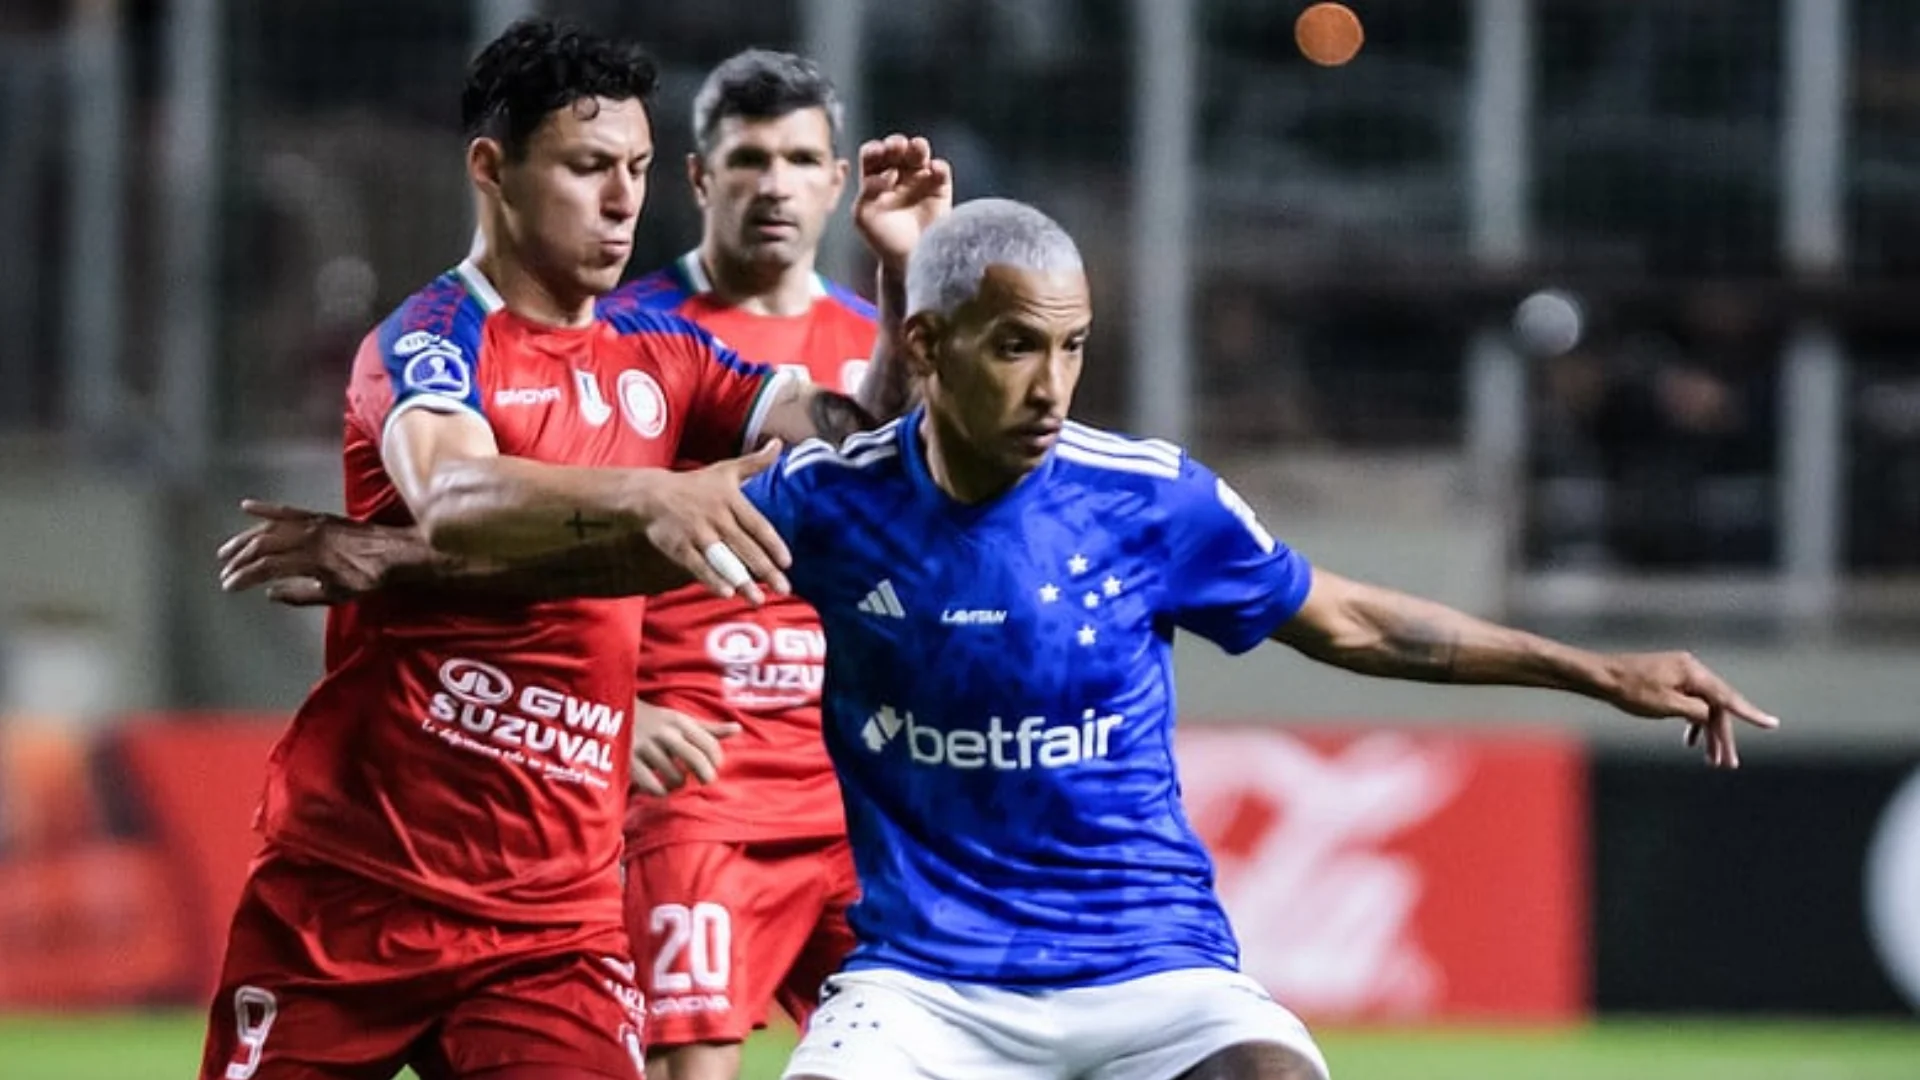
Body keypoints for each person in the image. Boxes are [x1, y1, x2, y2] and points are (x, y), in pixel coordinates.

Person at [218, 199, 1778, 1080]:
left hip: (1155, 973)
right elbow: (601, 544)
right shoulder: (828, 501)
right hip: (929, 993)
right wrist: (381, 554)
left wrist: (1601, 671)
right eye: (1017, 347)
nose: (1051, 386)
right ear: (930, 347)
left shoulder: (1150, 499)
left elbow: (1360, 622)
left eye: (1074, 349)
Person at [201, 18, 948, 1080]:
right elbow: (455, 494)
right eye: (589, 167)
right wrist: (658, 496)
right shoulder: (427, 338)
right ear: (492, 169)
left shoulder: (667, 350)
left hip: (554, 922)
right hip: (353, 888)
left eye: (638, 169)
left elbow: (862, 441)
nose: (623, 200)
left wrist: (904, 276)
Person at [604, 51, 873, 1080]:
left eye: (801, 158)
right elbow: (547, 552)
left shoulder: (877, 349)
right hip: (698, 786)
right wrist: (613, 712)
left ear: (837, 181)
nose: (775, 183)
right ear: (700, 178)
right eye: (748, 157)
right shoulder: (626, 338)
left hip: (859, 794)